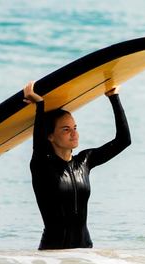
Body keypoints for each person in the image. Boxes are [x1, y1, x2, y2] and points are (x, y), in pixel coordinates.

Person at [22, 81, 131, 250]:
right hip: (53, 255)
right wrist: (40, 105)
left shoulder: (84, 161)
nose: (74, 133)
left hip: (85, 252)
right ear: (50, 136)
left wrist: (113, 97)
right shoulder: (42, 165)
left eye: (75, 127)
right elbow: (39, 144)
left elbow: (124, 140)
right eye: (66, 129)